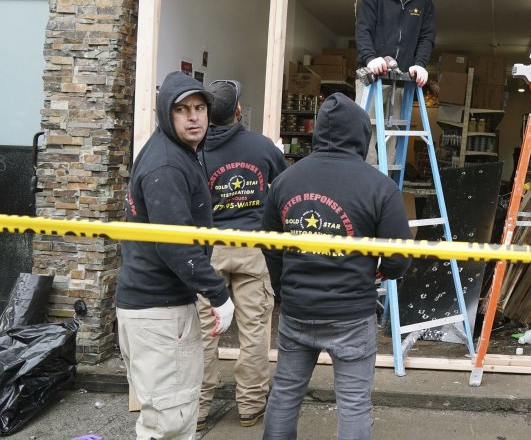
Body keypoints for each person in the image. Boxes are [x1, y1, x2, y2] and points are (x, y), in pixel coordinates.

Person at [261, 92, 413, 440]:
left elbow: (270, 246)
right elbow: (399, 256)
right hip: (351, 313)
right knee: (354, 403)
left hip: (298, 310)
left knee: (284, 393)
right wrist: (384, 270)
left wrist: (286, 290)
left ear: (317, 133)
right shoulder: (380, 186)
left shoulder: (285, 180)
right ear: (362, 136)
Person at [115, 71, 234, 440]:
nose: (194, 117)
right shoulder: (167, 165)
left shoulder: (179, 152)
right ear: (167, 114)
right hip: (159, 313)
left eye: (200, 108)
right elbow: (175, 244)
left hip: (151, 306)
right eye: (183, 110)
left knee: (162, 414)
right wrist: (217, 294)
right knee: (170, 421)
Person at [196, 79, 288, 431]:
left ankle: (199, 408)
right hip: (253, 250)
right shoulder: (261, 146)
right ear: (238, 111)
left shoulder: (196, 148)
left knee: (206, 332)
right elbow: (283, 187)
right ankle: (250, 407)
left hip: (209, 250)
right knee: (254, 330)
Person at [354, 0, 435, 95]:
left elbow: (427, 37)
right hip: (372, 76)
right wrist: (370, 58)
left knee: (400, 119)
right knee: (366, 119)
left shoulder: (423, 0)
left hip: (403, 79)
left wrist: (420, 64)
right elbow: (362, 30)